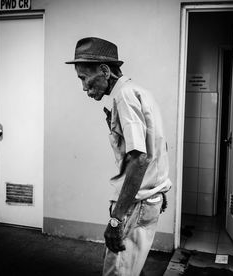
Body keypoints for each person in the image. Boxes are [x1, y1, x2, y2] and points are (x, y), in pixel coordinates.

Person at [66, 37, 172, 276]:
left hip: (136, 204)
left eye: (84, 78)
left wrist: (116, 220)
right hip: (149, 199)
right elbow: (154, 148)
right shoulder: (139, 91)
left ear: (104, 70)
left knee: (118, 271)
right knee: (133, 267)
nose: (84, 87)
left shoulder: (123, 96)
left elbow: (140, 159)